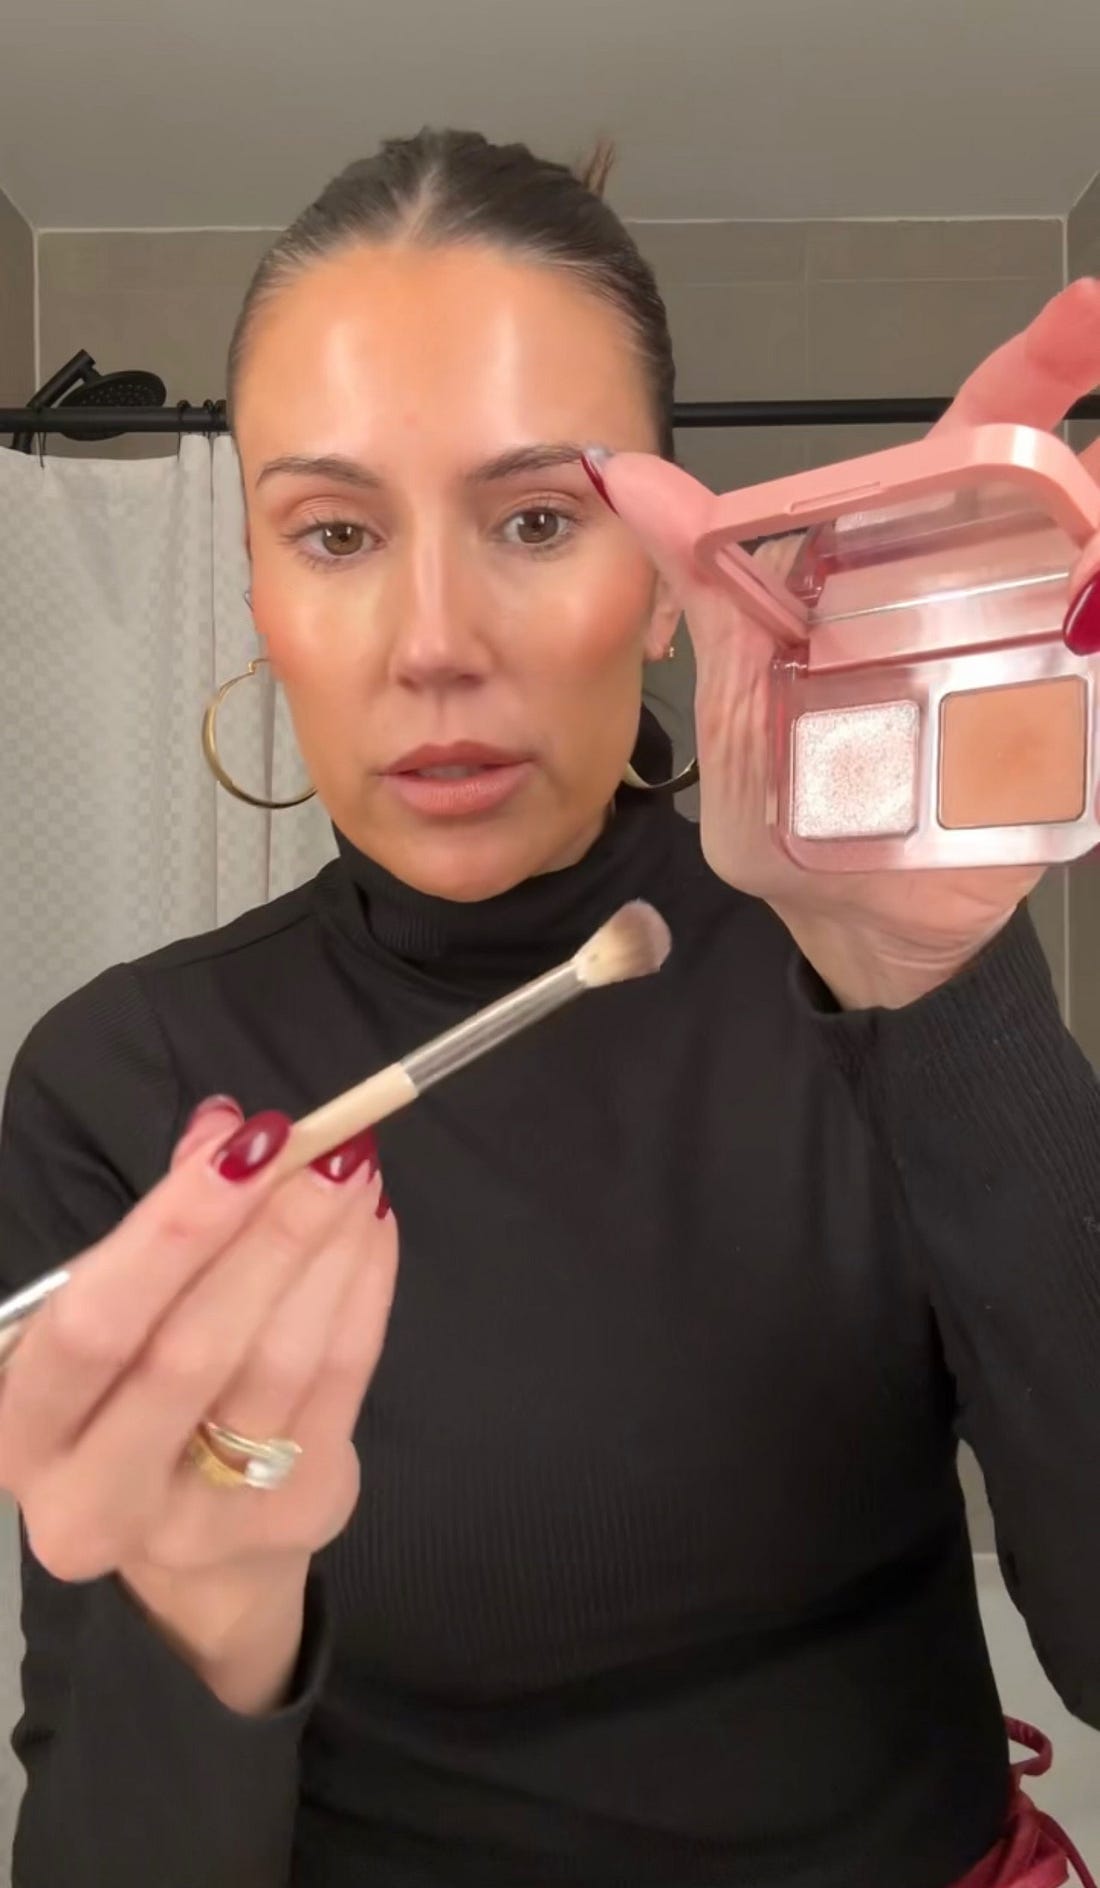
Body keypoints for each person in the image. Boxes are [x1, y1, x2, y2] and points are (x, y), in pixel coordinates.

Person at [0, 128, 1098, 1888]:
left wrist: (942, 991)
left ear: (667, 575)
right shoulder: (123, 1087)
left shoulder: (865, 972)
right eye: (336, 532)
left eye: (535, 520)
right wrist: (213, 1604)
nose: (434, 639)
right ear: (261, 599)